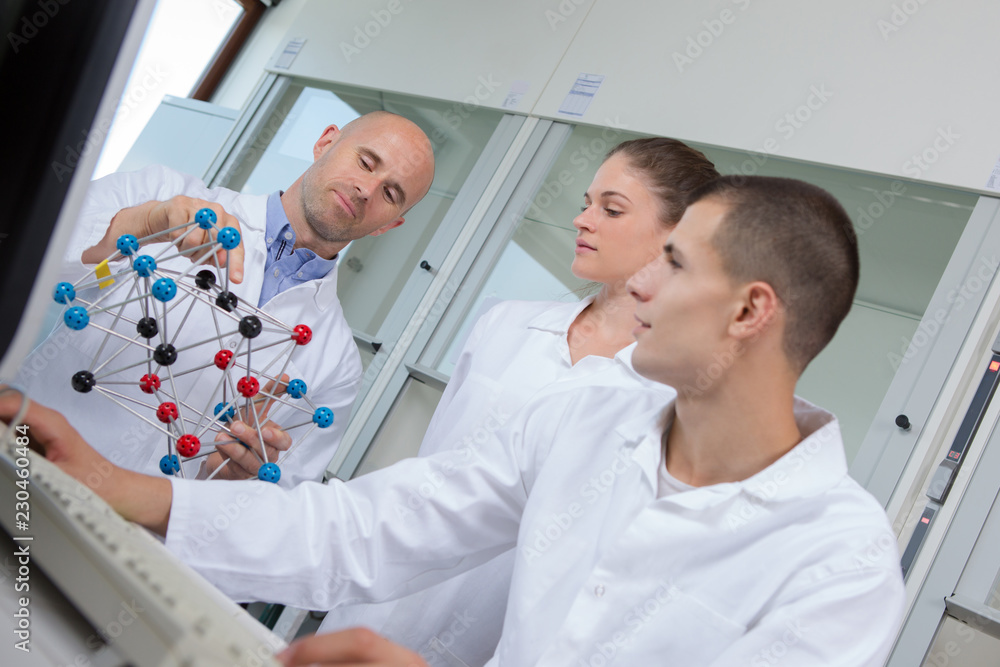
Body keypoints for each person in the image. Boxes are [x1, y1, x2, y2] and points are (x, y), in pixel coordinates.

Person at [3, 175, 906, 665]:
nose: (637, 283)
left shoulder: (839, 562)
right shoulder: (594, 415)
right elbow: (370, 523)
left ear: (750, 312)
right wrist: (120, 486)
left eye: (671, 262)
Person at [320, 137, 719, 666]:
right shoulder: (503, 322)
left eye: (611, 209)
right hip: (368, 607)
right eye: (586, 202)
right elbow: (432, 472)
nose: (582, 220)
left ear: (679, 236)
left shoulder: (670, 402)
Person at [18, 111, 435, 486]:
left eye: (391, 193)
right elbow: (31, 260)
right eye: (366, 162)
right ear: (326, 142)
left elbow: (278, 498)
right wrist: (137, 225)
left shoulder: (337, 362)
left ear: (389, 225)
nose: (367, 188)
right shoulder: (161, 193)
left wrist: (232, 477)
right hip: (20, 451)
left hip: (120, 540)